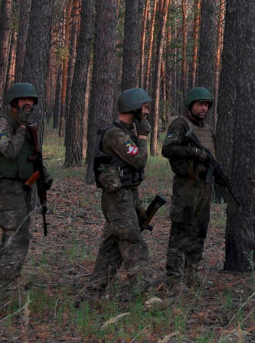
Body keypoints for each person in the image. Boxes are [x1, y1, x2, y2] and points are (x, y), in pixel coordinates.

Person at [86, 88, 153, 300]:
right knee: (133, 243)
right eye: (144, 107)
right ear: (134, 107)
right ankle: (144, 294)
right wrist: (143, 136)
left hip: (126, 196)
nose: (147, 112)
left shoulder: (125, 132)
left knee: (113, 248)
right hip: (117, 199)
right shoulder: (116, 134)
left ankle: (92, 294)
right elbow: (139, 159)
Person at [0, 82, 49, 291]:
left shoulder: (28, 126)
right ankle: (7, 284)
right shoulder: (3, 125)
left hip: (24, 187)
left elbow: (33, 156)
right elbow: (10, 152)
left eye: (31, 100)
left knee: (12, 236)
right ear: (14, 102)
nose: (29, 103)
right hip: (7, 187)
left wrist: (43, 175)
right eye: (25, 100)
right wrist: (21, 128)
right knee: (18, 236)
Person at [161, 87, 217, 290]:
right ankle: (174, 279)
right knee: (181, 230)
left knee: (199, 231)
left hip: (204, 185)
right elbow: (167, 149)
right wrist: (193, 152)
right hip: (186, 185)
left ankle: (191, 273)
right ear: (190, 105)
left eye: (206, 105)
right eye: (200, 104)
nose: (203, 108)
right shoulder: (180, 125)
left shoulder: (208, 129)